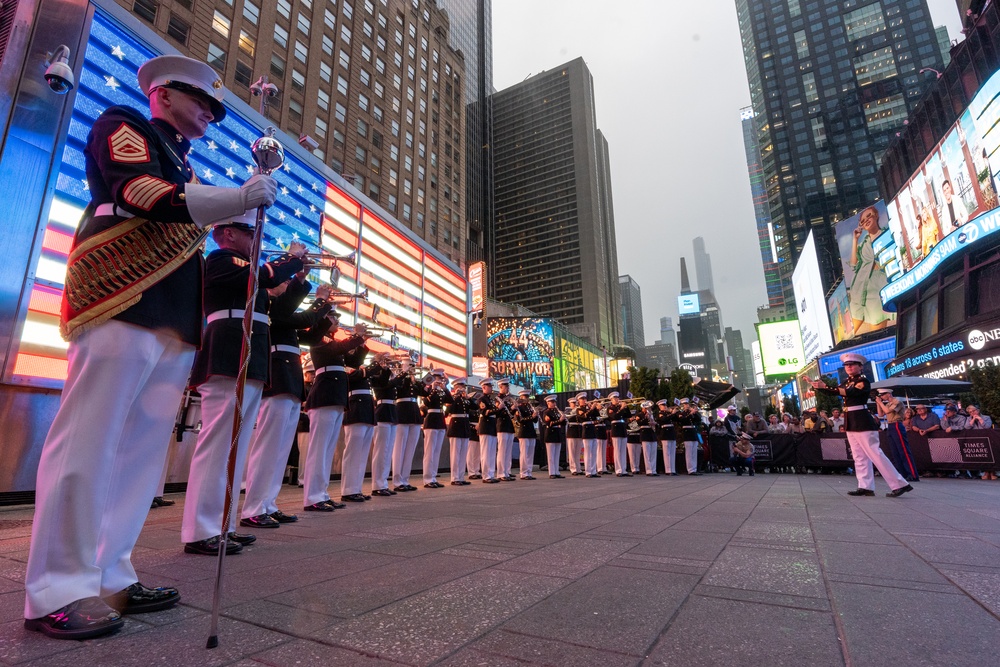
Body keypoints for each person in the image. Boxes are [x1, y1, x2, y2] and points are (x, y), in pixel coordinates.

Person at [24, 55, 277, 640]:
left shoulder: (183, 163)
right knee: (88, 440)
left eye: (216, 107)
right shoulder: (122, 125)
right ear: (162, 93)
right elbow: (141, 194)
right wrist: (238, 197)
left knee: (139, 453)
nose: (211, 114)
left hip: (171, 314)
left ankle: (111, 570)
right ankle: (57, 586)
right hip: (121, 293)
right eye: (202, 101)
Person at [180, 216, 306, 555]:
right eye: (252, 233)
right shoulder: (222, 259)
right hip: (228, 354)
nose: (257, 239)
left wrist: (297, 278)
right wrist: (290, 259)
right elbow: (262, 277)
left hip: (247, 359)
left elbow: (279, 309)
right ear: (229, 234)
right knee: (219, 444)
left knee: (234, 447)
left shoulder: (244, 269)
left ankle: (222, 525)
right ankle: (201, 529)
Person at [241, 275, 333, 528]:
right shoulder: (272, 307)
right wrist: (320, 302)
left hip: (289, 379)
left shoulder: (282, 313)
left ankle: (268, 503)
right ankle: (253, 508)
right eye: (286, 281)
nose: (287, 283)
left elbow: (309, 338)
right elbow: (300, 318)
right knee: (269, 447)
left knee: (280, 449)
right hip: (278, 377)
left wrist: (326, 314)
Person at [810, 353, 912, 497]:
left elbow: (851, 393)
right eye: (846, 365)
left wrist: (824, 386)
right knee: (858, 455)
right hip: (851, 420)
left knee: (875, 453)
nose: (849, 367)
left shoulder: (863, 381)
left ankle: (899, 484)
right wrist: (818, 386)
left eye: (852, 365)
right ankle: (865, 486)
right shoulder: (847, 381)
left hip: (862, 419)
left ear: (860, 367)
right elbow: (834, 391)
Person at [302, 318, 367, 511]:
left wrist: (361, 342)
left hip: (335, 396)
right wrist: (356, 336)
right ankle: (312, 497)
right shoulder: (318, 339)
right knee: (319, 449)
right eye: (332, 318)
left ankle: (321, 493)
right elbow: (335, 350)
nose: (337, 321)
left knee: (328, 449)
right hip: (325, 394)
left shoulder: (330, 340)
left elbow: (353, 361)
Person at [340, 342, 376, 502]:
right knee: (353, 451)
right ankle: (348, 489)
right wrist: (370, 367)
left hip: (366, 409)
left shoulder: (361, 368)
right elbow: (351, 378)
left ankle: (356, 488)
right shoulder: (347, 365)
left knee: (361, 453)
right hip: (355, 408)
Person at [849, 205, 892, 334]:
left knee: (877, 333)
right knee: (849, 333)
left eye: (869, 216)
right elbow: (853, 265)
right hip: (860, 287)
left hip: (879, 287)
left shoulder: (887, 235)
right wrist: (855, 240)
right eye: (863, 220)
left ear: (876, 215)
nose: (866, 220)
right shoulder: (863, 244)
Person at [368, 352, 402, 497]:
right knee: (381, 451)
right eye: (387, 360)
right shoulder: (377, 375)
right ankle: (377, 485)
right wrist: (390, 371)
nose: (390, 363)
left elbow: (397, 386)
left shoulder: (389, 374)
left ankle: (383, 483)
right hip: (382, 411)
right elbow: (386, 386)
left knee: (388, 451)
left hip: (391, 411)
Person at [390, 360, 426, 492]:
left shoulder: (413, 380)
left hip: (414, 413)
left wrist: (415, 379)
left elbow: (424, 392)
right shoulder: (398, 377)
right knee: (399, 448)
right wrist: (404, 374)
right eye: (409, 365)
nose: (412, 367)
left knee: (410, 449)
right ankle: (397, 480)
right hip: (402, 411)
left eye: (412, 365)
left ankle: (405, 479)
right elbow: (395, 387)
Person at [875, 389, 919, 482]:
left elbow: (887, 411)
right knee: (895, 452)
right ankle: (902, 473)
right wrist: (878, 403)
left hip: (897, 424)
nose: (881, 396)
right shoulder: (887, 404)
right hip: (890, 426)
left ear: (889, 394)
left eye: (883, 394)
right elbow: (880, 414)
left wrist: (880, 402)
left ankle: (912, 474)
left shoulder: (897, 402)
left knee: (903, 450)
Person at [421, 371, 451, 487]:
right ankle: (427, 478)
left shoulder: (441, 393)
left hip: (440, 421)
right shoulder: (428, 390)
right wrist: (432, 389)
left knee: (437, 451)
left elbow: (450, 401)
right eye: (436, 379)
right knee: (430, 451)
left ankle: (433, 477)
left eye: (440, 379)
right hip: (431, 421)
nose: (438, 381)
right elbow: (426, 402)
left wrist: (445, 389)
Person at [445, 379, 473, 486]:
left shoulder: (465, 399)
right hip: (456, 426)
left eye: (464, 387)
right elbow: (449, 411)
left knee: (463, 454)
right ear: (456, 387)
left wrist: (468, 398)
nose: (463, 389)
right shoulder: (452, 398)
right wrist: (455, 397)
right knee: (455, 454)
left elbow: (474, 407)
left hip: (464, 426)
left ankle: (461, 476)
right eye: (461, 386)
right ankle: (455, 477)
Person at [476, 379, 501, 483]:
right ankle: (486, 475)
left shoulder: (490, 400)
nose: (491, 388)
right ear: (484, 387)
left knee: (491, 452)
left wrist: (499, 409)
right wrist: (498, 408)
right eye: (489, 386)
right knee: (486, 452)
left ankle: (490, 473)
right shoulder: (481, 399)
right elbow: (485, 412)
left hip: (491, 426)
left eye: (491, 386)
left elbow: (494, 413)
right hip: (485, 426)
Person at [494, 380, 517, 481]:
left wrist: (514, 408)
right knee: (502, 450)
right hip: (502, 426)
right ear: (500, 387)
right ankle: (501, 473)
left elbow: (511, 414)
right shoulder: (498, 398)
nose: (507, 388)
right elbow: (499, 414)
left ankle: (507, 471)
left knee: (508, 451)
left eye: (507, 387)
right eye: (505, 387)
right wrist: (511, 408)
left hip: (509, 426)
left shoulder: (509, 399)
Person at [514, 390, 539, 479]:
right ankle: (524, 473)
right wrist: (531, 417)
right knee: (524, 453)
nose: (527, 399)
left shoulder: (530, 407)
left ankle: (529, 471)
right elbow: (520, 420)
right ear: (521, 398)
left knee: (530, 453)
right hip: (524, 431)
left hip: (531, 431)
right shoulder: (519, 408)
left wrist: (536, 415)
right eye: (525, 397)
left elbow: (535, 421)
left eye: (527, 397)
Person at [606, 393, 631, 476]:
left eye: (617, 397)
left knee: (623, 450)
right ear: (611, 400)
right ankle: (618, 470)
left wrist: (626, 407)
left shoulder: (619, 407)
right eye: (615, 398)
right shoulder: (610, 408)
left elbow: (628, 415)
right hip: (616, 429)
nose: (617, 399)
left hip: (622, 428)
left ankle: (623, 469)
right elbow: (615, 416)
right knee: (617, 450)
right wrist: (622, 408)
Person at [541, 396, 566, 478]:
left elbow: (563, 424)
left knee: (557, 454)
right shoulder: (546, 412)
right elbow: (549, 423)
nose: (554, 404)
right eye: (552, 402)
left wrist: (564, 419)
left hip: (557, 433)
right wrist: (560, 420)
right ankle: (552, 472)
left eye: (554, 402)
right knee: (551, 455)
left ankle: (556, 471)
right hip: (550, 434)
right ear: (548, 403)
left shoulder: (557, 412)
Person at [577, 394, 601, 478]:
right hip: (586, 429)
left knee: (594, 452)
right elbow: (584, 416)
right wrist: (591, 408)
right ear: (578, 401)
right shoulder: (579, 409)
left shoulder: (589, 408)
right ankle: (588, 471)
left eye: (585, 398)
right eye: (582, 399)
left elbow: (597, 416)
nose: (584, 400)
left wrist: (595, 407)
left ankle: (593, 471)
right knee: (587, 452)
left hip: (592, 429)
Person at [656, 401, 678, 475]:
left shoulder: (669, 413)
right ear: (659, 407)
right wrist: (672, 413)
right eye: (663, 405)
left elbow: (676, 419)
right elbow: (664, 420)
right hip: (665, 433)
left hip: (671, 433)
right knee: (667, 453)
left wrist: (674, 412)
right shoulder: (660, 414)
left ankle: (673, 469)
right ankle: (668, 470)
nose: (665, 406)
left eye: (665, 405)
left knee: (672, 452)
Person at [638, 401, 659, 476]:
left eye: (648, 408)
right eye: (646, 408)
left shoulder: (653, 414)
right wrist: (645, 417)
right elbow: (639, 423)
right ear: (642, 408)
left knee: (653, 453)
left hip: (652, 434)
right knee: (647, 453)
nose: (647, 409)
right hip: (645, 434)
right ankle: (648, 470)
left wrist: (655, 423)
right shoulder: (640, 415)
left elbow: (657, 423)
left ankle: (653, 470)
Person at [565, 398, 582, 475]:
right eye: (573, 403)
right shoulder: (568, 411)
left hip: (579, 431)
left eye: (576, 403)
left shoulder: (579, 410)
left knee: (578, 452)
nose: (575, 404)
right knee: (572, 452)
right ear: (570, 404)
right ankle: (573, 469)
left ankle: (578, 468)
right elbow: (568, 418)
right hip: (571, 432)